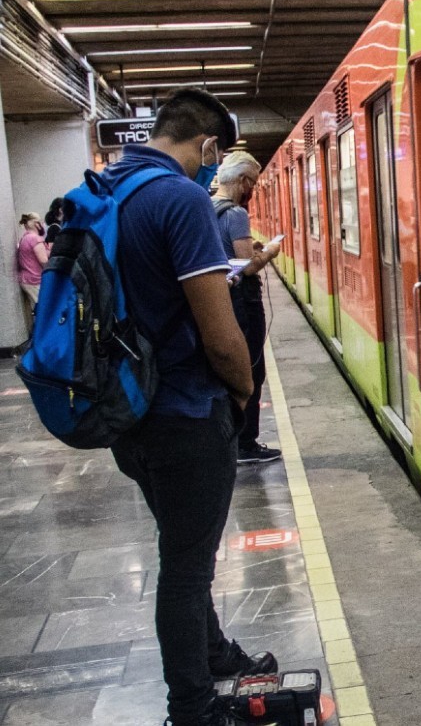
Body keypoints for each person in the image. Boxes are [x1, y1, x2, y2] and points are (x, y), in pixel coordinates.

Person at [105, 88, 276, 726]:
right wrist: (240, 389)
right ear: (207, 146)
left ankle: (217, 654)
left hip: (130, 411)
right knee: (185, 566)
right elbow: (218, 329)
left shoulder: (105, 190)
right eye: (216, 153)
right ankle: (193, 705)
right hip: (184, 407)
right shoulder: (179, 197)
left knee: (183, 546)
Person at [211, 151, 282, 465]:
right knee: (252, 369)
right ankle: (245, 444)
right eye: (252, 182)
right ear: (242, 181)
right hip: (243, 300)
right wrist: (269, 251)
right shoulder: (236, 213)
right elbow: (248, 266)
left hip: (223, 297)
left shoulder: (208, 206)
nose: (252, 188)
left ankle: (228, 439)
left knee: (231, 370)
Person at [16, 213, 49, 332]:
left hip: (26, 279)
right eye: (41, 222)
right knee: (43, 309)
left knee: (38, 309)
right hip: (35, 279)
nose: (43, 225)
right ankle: (40, 335)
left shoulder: (25, 237)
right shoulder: (35, 239)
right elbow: (44, 261)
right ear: (37, 224)